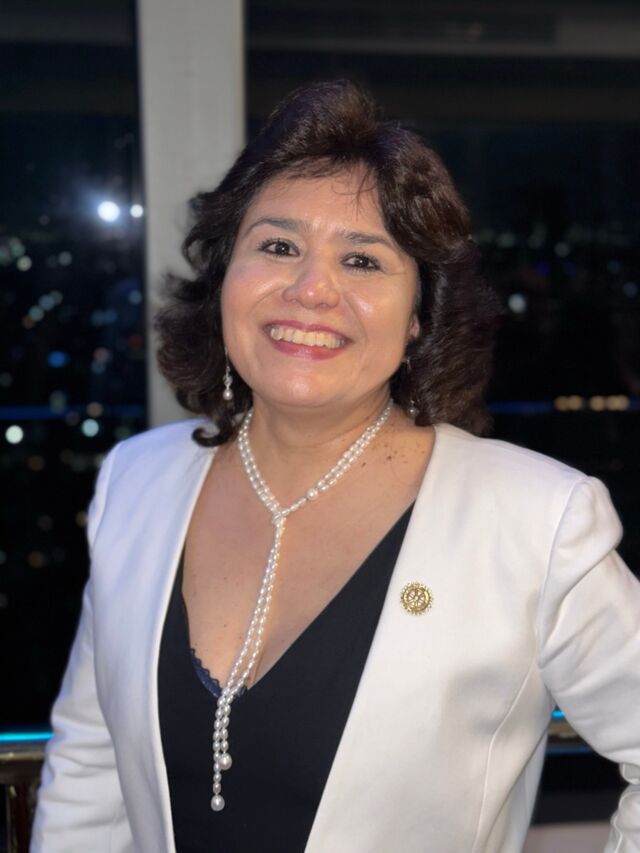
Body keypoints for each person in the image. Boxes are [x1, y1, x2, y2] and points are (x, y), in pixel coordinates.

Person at [32, 80, 640, 853]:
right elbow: (90, 770)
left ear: (419, 316)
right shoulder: (135, 481)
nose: (312, 289)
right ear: (224, 278)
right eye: (278, 246)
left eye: (362, 260)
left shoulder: (534, 520)